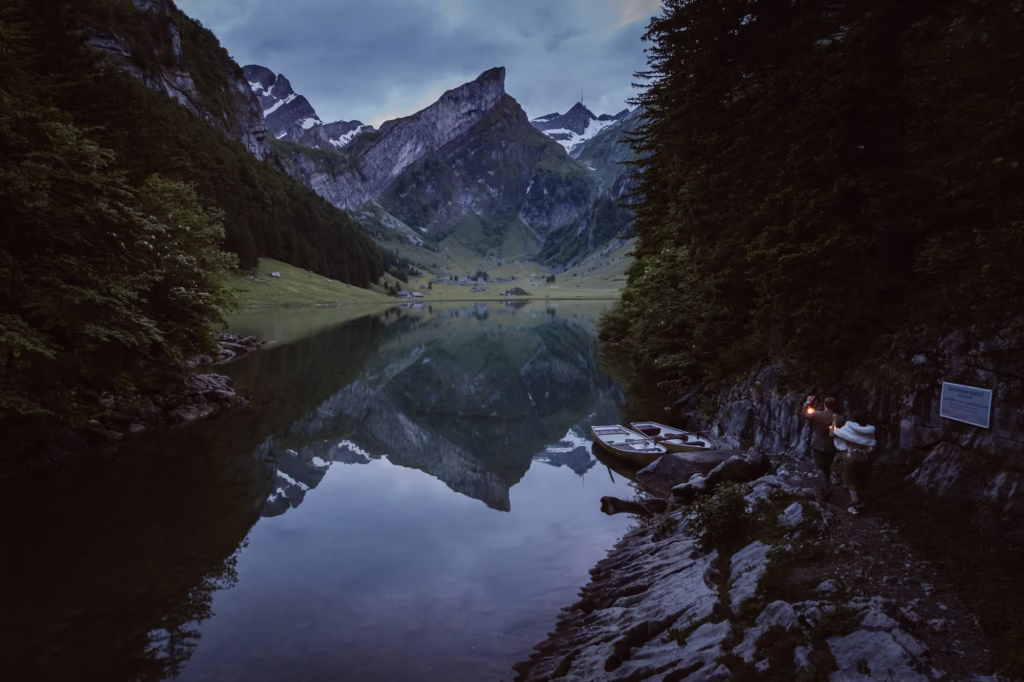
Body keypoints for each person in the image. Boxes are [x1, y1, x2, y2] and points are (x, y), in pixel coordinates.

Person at [831, 410, 876, 515]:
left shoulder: (848, 428)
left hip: (850, 455)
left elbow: (832, 433)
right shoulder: (869, 430)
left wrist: (834, 422)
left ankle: (855, 505)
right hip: (863, 456)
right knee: (861, 479)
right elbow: (871, 447)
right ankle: (862, 502)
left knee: (851, 480)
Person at [801, 396, 841, 500]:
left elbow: (804, 413)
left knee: (819, 467)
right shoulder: (840, 418)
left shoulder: (817, 414)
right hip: (831, 445)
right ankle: (825, 487)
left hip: (817, 444)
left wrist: (807, 402)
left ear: (824, 405)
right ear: (835, 406)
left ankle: (825, 488)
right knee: (827, 467)